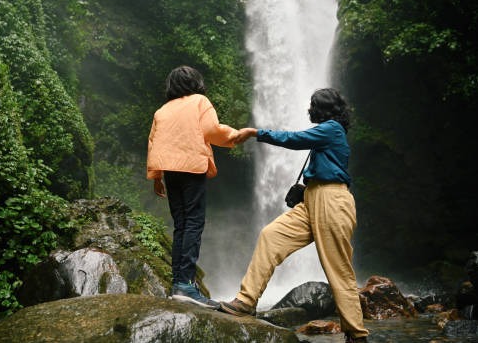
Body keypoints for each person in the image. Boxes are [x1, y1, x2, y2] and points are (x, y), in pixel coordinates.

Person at [220, 88, 369, 343]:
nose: (309, 110)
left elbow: (294, 139)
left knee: (338, 268)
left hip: (332, 201)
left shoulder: (332, 128)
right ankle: (246, 301)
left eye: (313, 105)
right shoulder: (326, 133)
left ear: (322, 109)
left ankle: (356, 334)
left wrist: (256, 133)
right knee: (271, 235)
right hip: (312, 199)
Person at [146, 65, 239, 309]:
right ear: (196, 83)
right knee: (194, 222)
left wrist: (157, 176)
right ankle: (186, 284)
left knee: (181, 224)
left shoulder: (162, 110)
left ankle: (179, 282)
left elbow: (153, 143)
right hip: (191, 167)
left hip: (169, 170)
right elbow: (211, 131)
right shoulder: (200, 101)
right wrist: (235, 136)